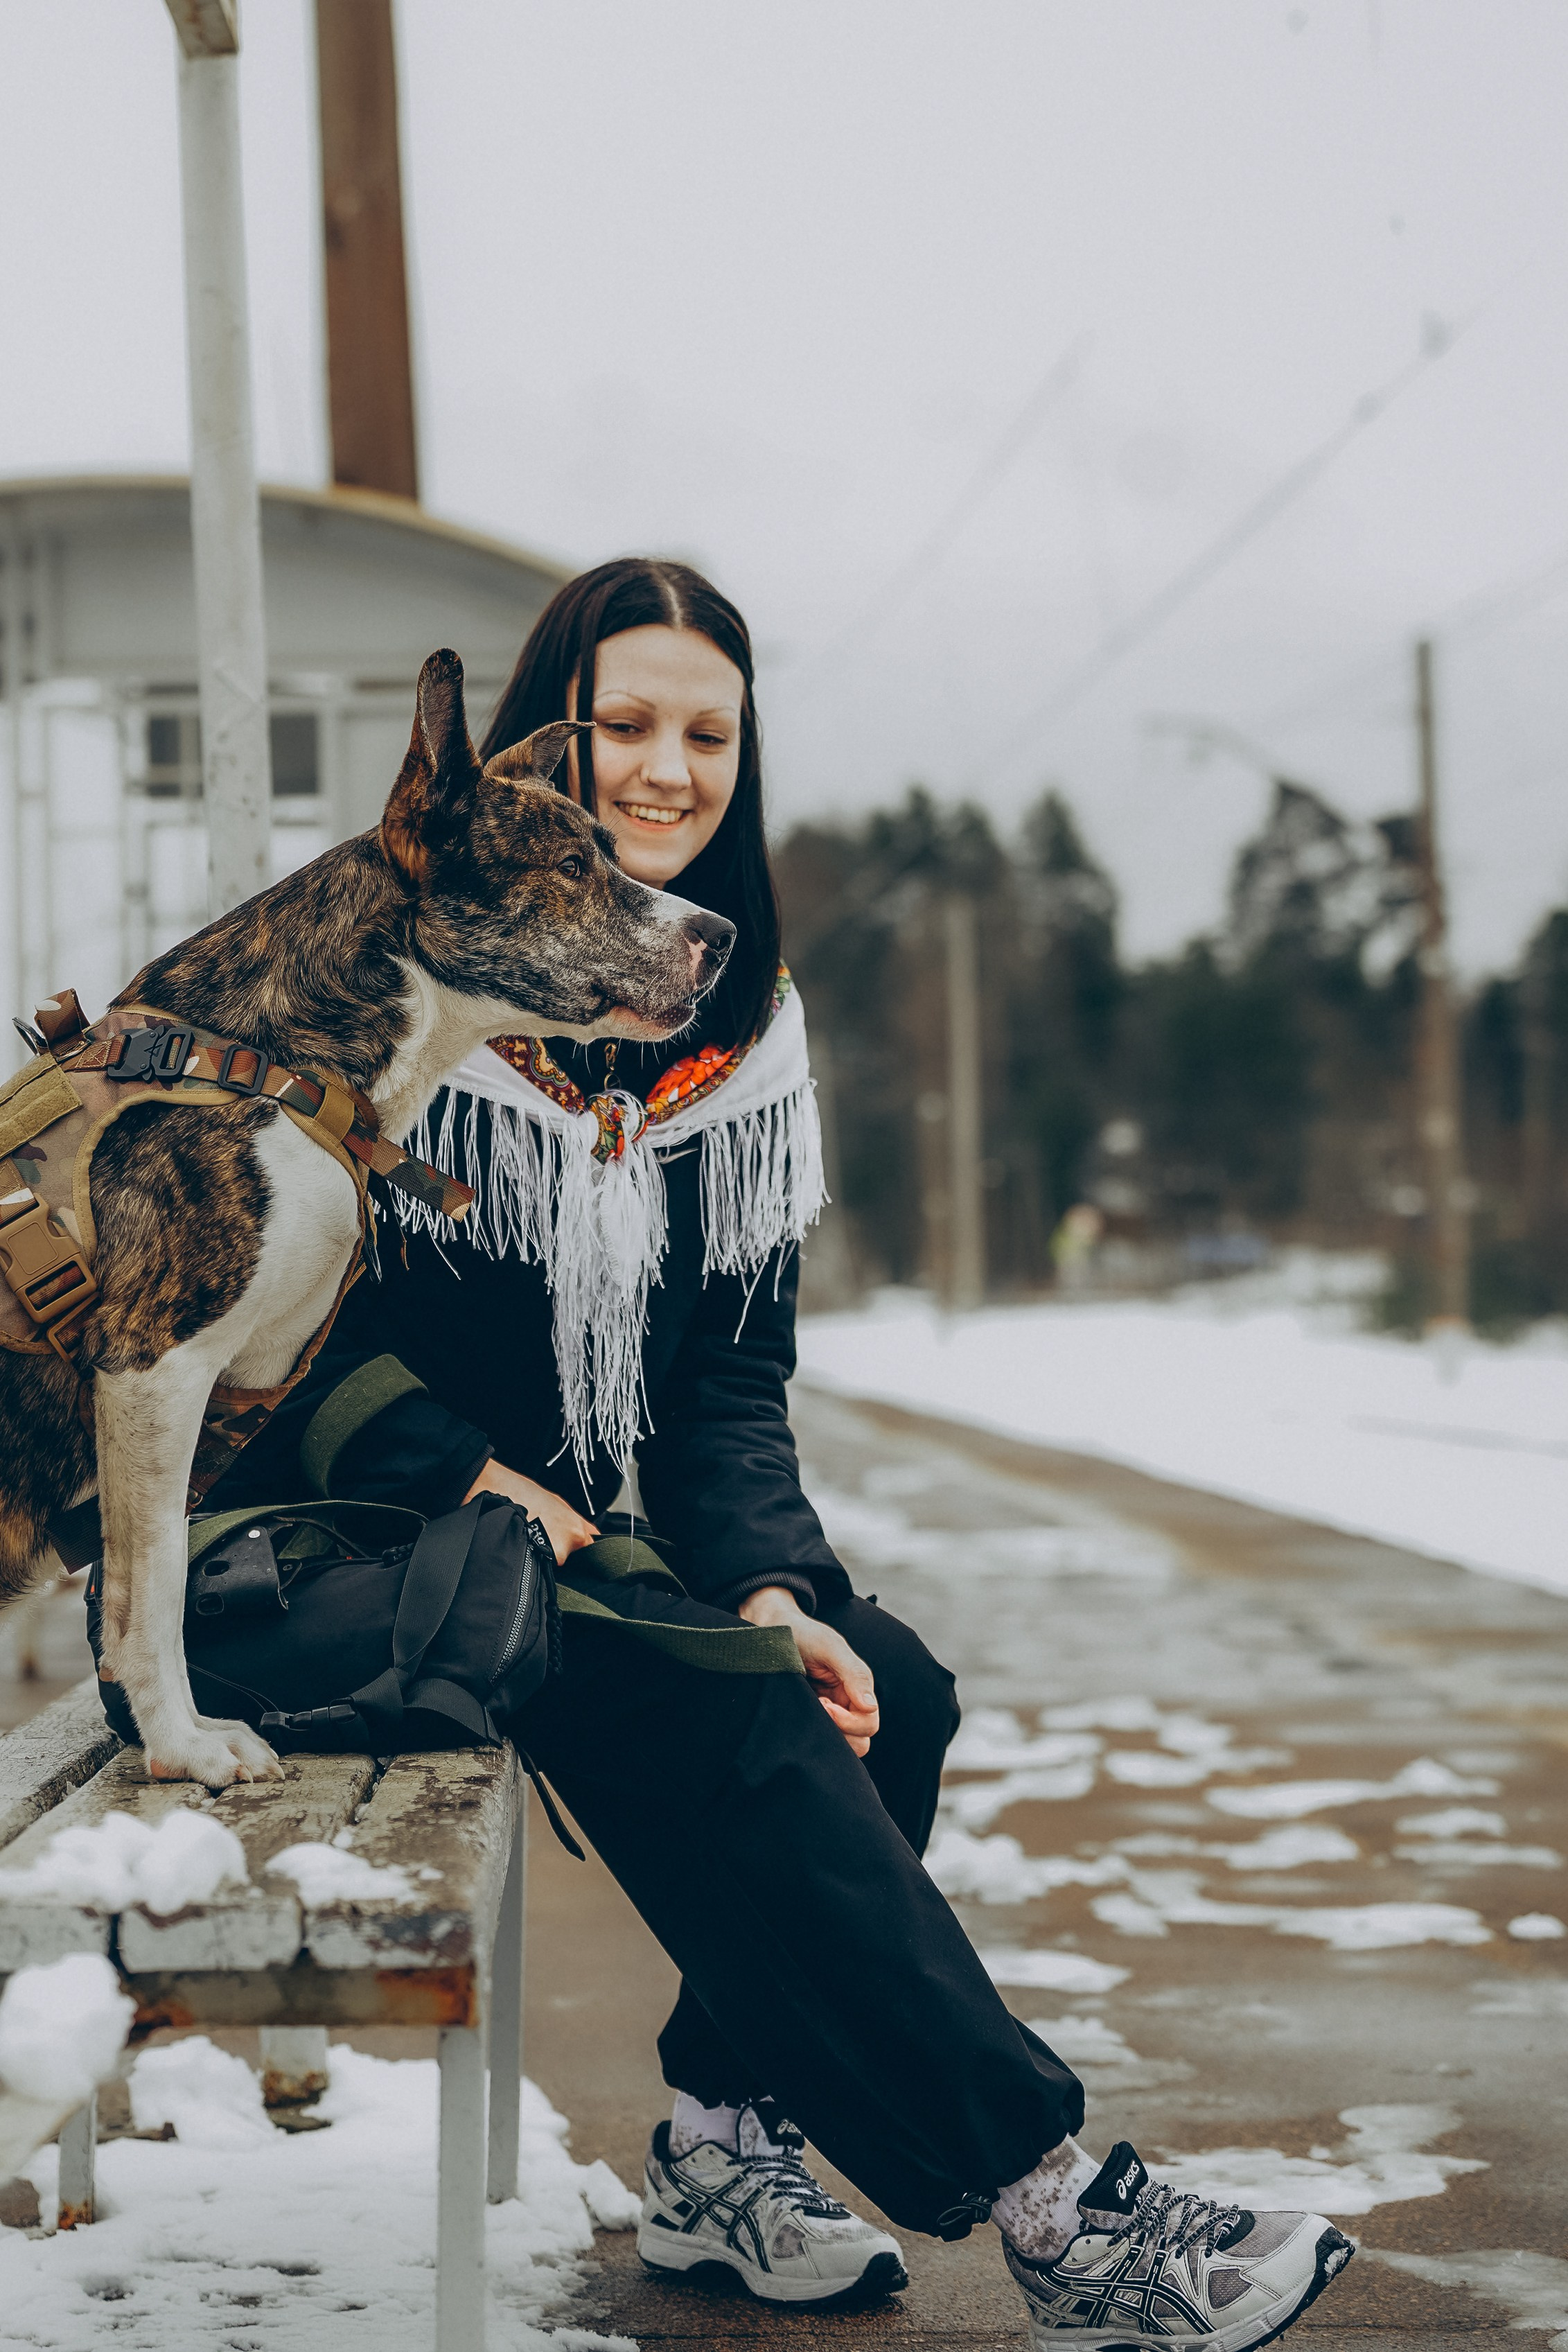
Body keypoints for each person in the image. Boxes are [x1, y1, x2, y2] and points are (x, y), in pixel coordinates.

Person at [203, 558, 1354, 2346]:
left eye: (709, 734)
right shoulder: (405, 984)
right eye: (625, 727)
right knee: (717, 1701)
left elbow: (730, 1386)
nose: (669, 769)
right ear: (536, 749)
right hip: (361, 1539)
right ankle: (1061, 2217)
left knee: (871, 1676)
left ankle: (729, 2157)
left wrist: (773, 1579)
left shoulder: (738, 1036)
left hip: (571, 1549)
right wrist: (471, 1471)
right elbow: (282, 1320)